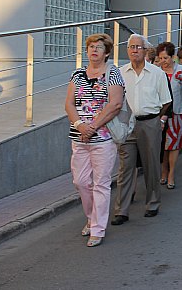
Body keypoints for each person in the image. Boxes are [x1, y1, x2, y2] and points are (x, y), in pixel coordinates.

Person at [64, 33, 124, 247]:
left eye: (99, 47)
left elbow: (115, 104)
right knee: (80, 182)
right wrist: (80, 125)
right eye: (91, 47)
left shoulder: (113, 73)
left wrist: (93, 126)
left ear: (107, 52)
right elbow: (69, 104)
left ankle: (98, 228)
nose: (94, 50)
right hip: (79, 136)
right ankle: (90, 217)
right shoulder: (77, 74)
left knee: (101, 184)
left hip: (103, 138)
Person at [111, 34, 171, 225]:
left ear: (145, 51)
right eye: (131, 47)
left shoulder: (157, 73)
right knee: (125, 168)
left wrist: (155, 119)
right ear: (127, 50)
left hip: (149, 123)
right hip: (126, 123)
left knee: (151, 165)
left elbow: (166, 101)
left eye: (138, 47)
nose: (135, 50)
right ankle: (122, 210)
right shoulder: (120, 73)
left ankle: (152, 203)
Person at [157, 42, 182, 188]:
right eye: (160, 58)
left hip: (179, 112)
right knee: (163, 144)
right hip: (160, 113)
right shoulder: (156, 71)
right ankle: (163, 170)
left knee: (174, 144)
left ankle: (171, 172)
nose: (163, 61)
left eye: (165, 58)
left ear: (172, 57)